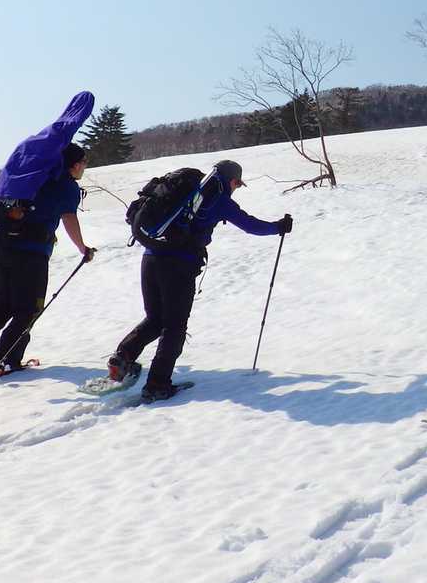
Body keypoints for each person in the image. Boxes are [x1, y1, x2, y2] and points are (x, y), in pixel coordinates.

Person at [107, 159, 291, 402]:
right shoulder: (217, 198)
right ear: (231, 180)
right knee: (174, 326)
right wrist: (278, 227)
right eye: (237, 184)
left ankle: (122, 358)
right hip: (178, 265)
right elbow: (250, 225)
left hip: (150, 258)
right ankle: (157, 385)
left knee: (155, 318)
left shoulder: (185, 191)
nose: (236, 188)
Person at [0, 142, 96, 374]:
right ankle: (4, 361)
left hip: (2, 249)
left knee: (1, 307)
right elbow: (69, 219)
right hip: (32, 256)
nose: (85, 166)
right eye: (84, 162)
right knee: (28, 310)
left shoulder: (30, 179)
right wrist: (82, 248)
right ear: (73, 165)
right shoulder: (66, 187)